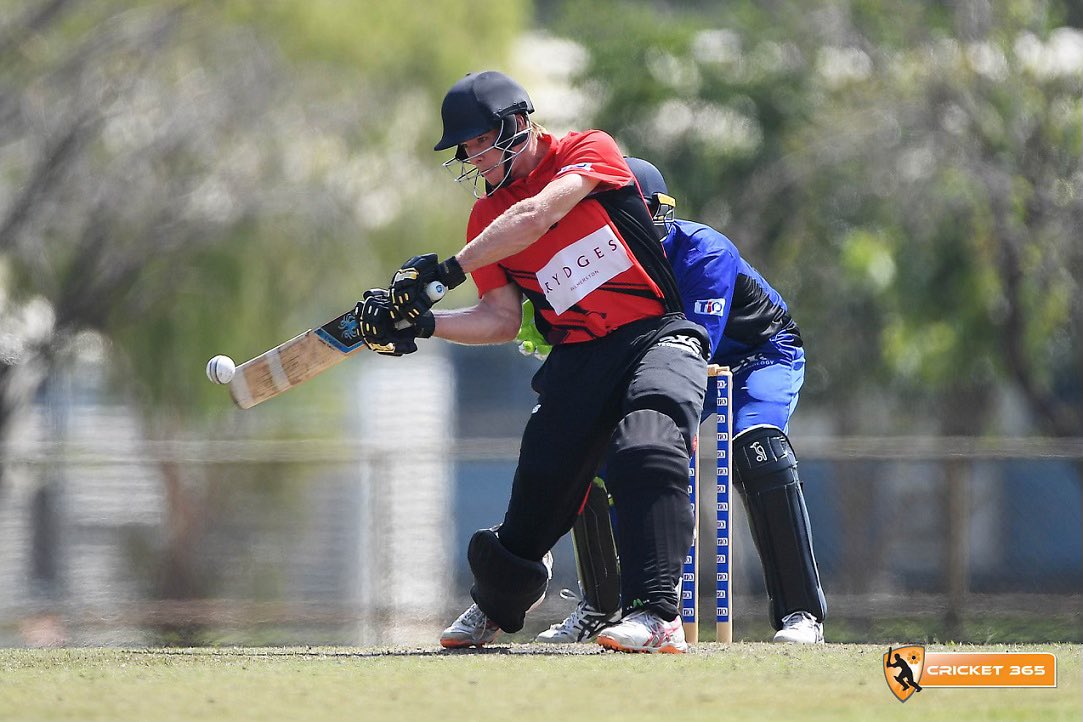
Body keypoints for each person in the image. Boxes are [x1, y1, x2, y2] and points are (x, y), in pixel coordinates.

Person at [355, 71, 710, 653]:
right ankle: (494, 606)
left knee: (647, 444)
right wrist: (424, 324)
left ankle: (655, 613)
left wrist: (444, 275)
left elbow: (538, 216)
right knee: (540, 491)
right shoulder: (484, 222)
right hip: (580, 354)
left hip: (655, 334)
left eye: (476, 141)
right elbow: (499, 318)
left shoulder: (587, 151)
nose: (470, 156)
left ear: (516, 125)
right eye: (463, 147)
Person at [530, 158, 828, 645]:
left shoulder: (704, 252)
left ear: (656, 212)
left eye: (633, 213)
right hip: (674, 359)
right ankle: (606, 608)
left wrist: (674, 423)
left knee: (758, 449)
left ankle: (802, 615)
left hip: (757, 355)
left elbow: (696, 348)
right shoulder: (602, 264)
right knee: (604, 454)